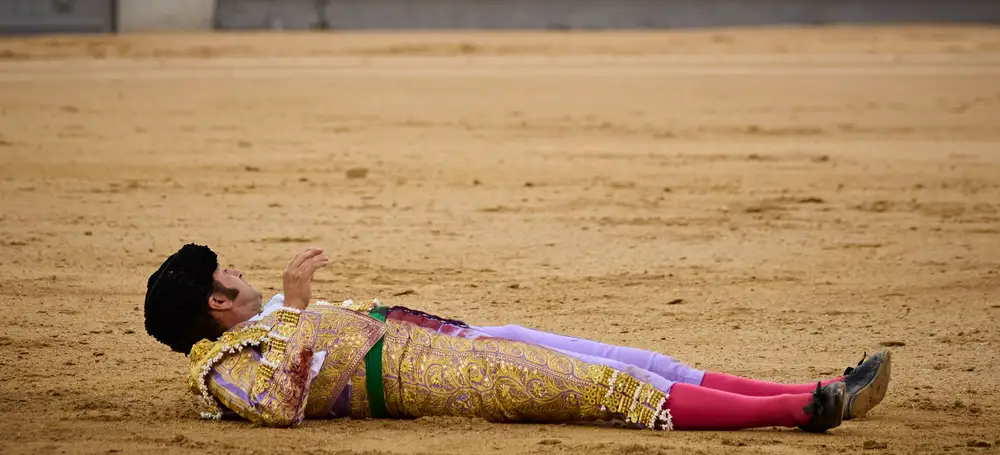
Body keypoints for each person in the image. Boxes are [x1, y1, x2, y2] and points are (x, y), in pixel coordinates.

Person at [144, 244, 891, 432]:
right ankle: (807, 409)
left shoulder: (258, 318)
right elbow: (278, 408)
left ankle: (809, 385)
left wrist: (297, 308)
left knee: (642, 362)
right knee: (614, 392)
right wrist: (301, 308)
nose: (239, 270)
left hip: (449, 339)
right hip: (435, 382)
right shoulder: (217, 368)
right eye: (227, 271)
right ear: (216, 301)